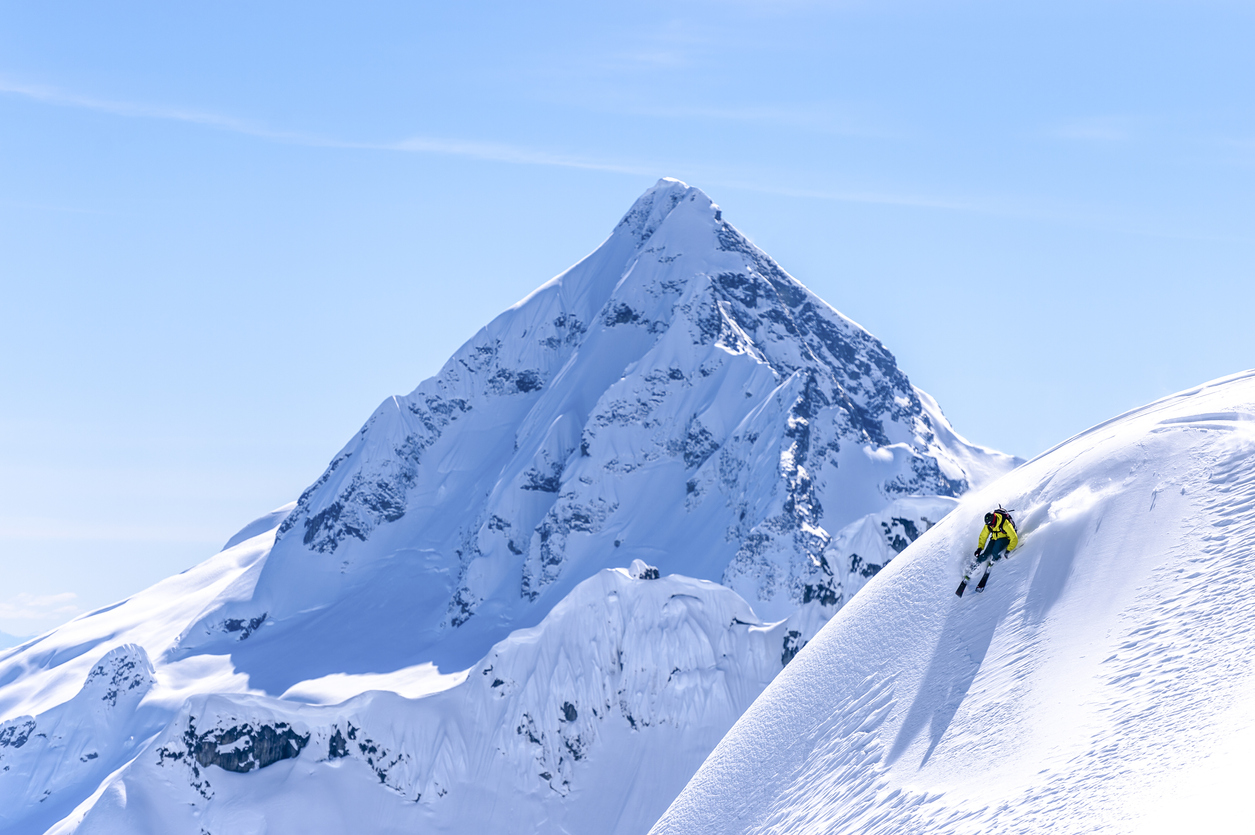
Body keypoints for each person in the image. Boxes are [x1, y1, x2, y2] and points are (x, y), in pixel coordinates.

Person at [961, 508, 1018, 592]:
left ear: (994, 520)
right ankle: (974, 566)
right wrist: (979, 548)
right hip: (995, 538)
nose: (990, 526)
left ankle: (994, 560)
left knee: (995, 550)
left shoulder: (1005, 524)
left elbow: (1014, 538)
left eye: (991, 524)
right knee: (985, 554)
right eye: (989, 525)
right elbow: (983, 536)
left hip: (1005, 538)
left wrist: (1008, 550)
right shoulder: (988, 524)